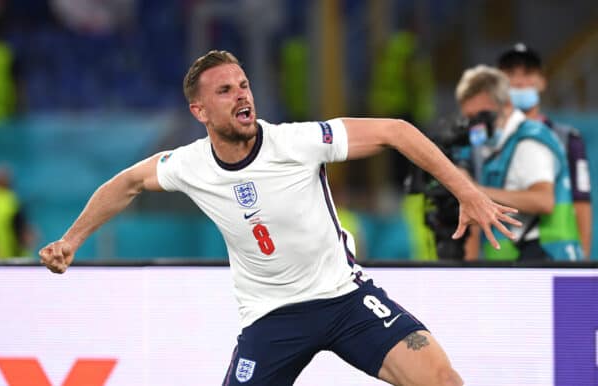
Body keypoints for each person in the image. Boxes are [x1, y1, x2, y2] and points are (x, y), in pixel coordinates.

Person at [40, 50, 519, 386]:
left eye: (244, 84)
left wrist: (467, 192)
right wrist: (71, 241)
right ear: (199, 110)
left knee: (443, 380)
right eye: (225, 90)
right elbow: (125, 183)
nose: (241, 95)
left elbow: (395, 130)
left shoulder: (297, 142)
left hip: (345, 300)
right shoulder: (189, 165)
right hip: (272, 318)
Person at [456, 64, 583, 261]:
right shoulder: (498, 146)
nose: (475, 125)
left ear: (506, 105)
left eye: (482, 116)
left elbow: (543, 200)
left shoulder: (529, 141)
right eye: (470, 118)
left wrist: (473, 191)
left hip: (546, 264)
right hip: (526, 264)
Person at [497, 43, 592, 259]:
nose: (519, 81)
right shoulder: (485, 144)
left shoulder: (568, 139)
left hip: (557, 259)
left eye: (528, 73)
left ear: (542, 82)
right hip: (498, 265)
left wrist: (582, 265)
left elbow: (582, 203)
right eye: (510, 74)